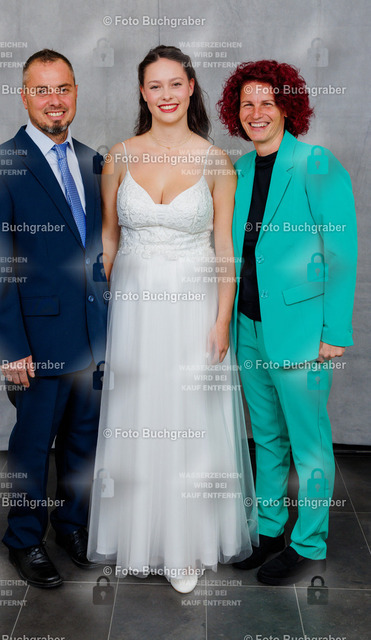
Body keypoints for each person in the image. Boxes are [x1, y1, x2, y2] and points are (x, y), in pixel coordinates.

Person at [86, 45, 258, 594]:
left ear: (190, 88)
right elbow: (109, 239)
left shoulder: (216, 162)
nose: (166, 95)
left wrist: (222, 320)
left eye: (175, 84)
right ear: (143, 92)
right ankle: (135, 537)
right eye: (154, 85)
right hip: (135, 310)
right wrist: (99, 312)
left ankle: (187, 547)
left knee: (191, 419)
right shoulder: (118, 157)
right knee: (137, 415)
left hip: (193, 307)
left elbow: (225, 250)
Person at [0, 49, 108, 588]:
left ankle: (72, 526)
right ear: (24, 96)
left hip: (93, 337)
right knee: (31, 445)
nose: (54, 100)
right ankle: (24, 539)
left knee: (83, 442)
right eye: (42, 90)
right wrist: (11, 347)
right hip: (36, 340)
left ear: (76, 93)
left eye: (63, 88)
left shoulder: (94, 162)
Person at [218, 60, 357, 585]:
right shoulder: (239, 170)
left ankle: (309, 541)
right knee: (268, 438)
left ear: (287, 108)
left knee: (309, 442)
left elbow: (341, 252)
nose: (255, 113)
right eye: (246, 104)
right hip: (249, 326)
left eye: (267, 102)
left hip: (302, 331)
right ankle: (271, 529)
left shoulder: (316, 164)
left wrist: (334, 333)